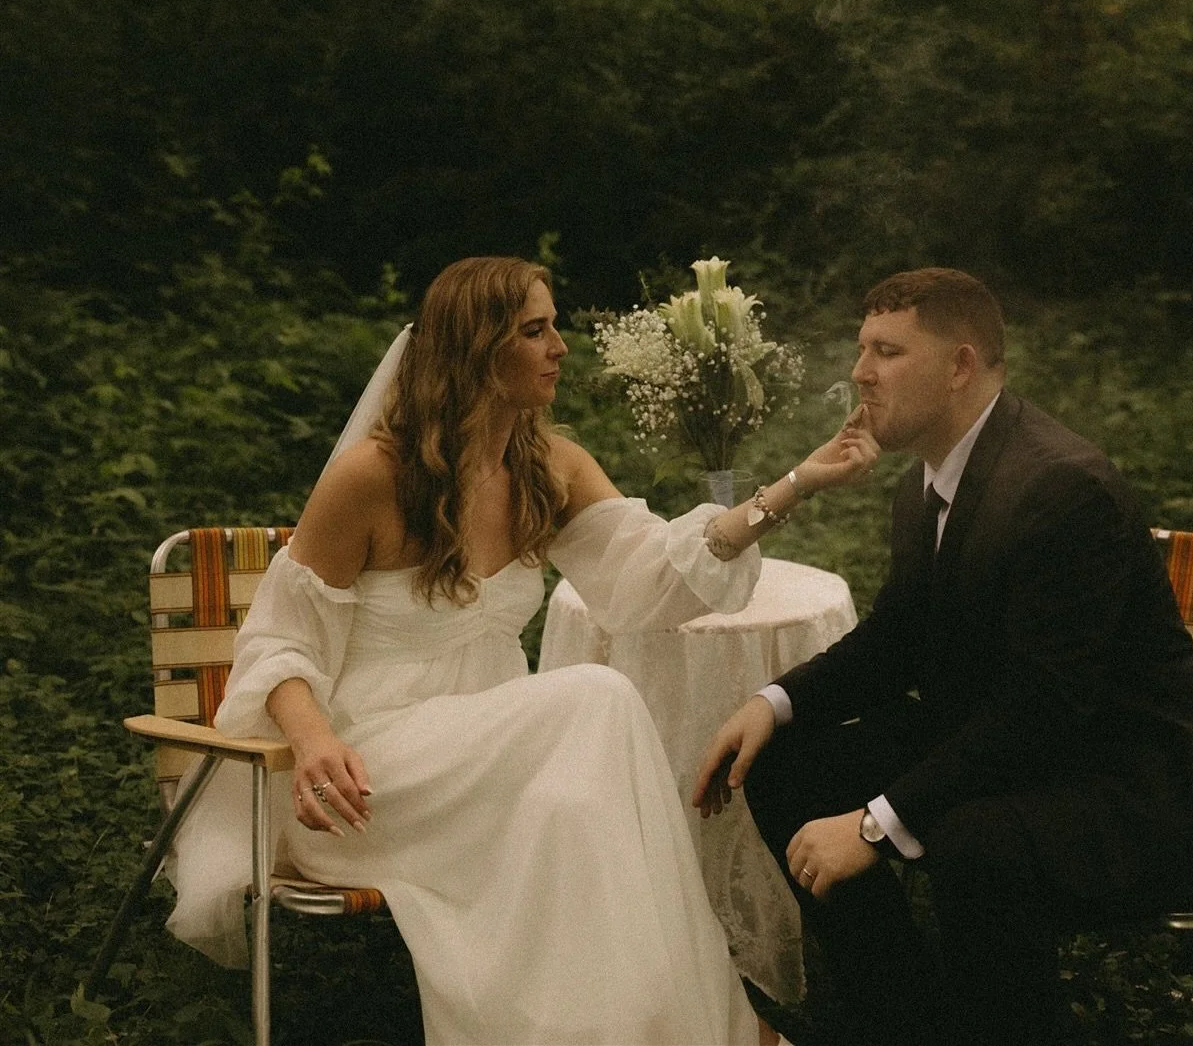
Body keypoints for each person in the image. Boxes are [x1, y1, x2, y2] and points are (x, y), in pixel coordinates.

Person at [164, 255, 877, 1045]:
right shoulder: (372, 475)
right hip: (363, 776)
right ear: (475, 349)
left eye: (553, 326)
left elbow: (652, 579)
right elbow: (278, 640)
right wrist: (313, 737)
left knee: (573, 805)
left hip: (486, 756)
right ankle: (729, 1033)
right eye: (534, 330)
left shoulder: (549, 468)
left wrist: (793, 484)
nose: (559, 347)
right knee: (594, 695)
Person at [694, 268, 1193, 1046]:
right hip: (1016, 748)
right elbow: (895, 640)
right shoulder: (924, 481)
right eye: (861, 349)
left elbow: (1046, 708)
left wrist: (874, 824)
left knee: (973, 840)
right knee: (787, 761)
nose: (859, 371)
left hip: (1121, 778)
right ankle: (904, 1012)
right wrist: (770, 701)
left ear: (959, 364)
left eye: (886, 350)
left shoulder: (1059, 487)